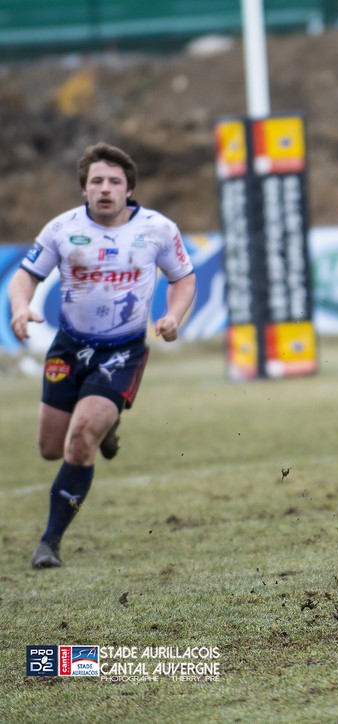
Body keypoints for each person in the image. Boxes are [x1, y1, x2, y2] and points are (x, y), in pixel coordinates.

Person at [8, 142, 196, 569]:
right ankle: (104, 425)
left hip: (122, 351)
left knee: (80, 440)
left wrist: (173, 316)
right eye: (97, 181)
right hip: (68, 348)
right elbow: (24, 276)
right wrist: (21, 308)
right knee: (49, 448)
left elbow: (183, 279)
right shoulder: (61, 229)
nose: (105, 188)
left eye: (115, 181)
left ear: (129, 189)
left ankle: (49, 543)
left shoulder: (157, 229)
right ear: (84, 189)